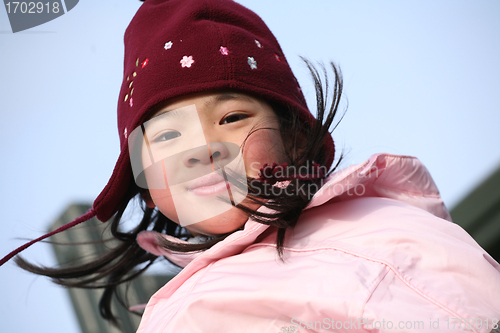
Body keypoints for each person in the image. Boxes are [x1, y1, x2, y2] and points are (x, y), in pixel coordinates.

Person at [1, 0, 499, 332]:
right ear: (146, 183)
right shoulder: (185, 311)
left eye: (233, 117)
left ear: (295, 138)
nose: (202, 149)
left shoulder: (389, 225)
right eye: (169, 136)